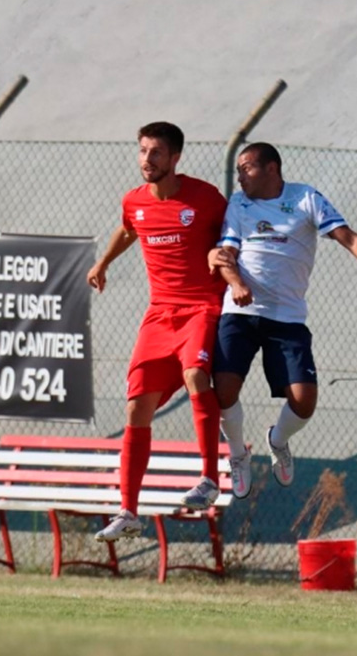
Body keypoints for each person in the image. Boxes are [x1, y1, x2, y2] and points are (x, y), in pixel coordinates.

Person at [208, 143, 357, 497]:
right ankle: (237, 454)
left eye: (247, 168)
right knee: (222, 389)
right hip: (241, 311)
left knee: (304, 401)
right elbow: (225, 253)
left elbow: (348, 237)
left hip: (286, 318)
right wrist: (236, 283)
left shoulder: (305, 199)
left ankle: (277, 440)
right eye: (237, 170)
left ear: (272, 169)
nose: (240, 176)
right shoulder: (238, 204)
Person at [86, 123, 227, 542]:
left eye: (156, 153)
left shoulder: (204, 199)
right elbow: (129, 228)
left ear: (175, 158)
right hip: (159, 315)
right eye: (143, 151)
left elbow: (229, 237)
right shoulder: (134, 201)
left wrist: (225, 262)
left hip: (202, 307)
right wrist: (103, 263)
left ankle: (209, 478)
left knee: (196, 376)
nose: (147, 159)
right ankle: (128, 510)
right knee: (135, 408)